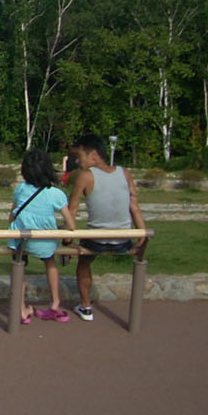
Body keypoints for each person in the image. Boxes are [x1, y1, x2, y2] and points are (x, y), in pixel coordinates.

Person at [66, 133, 146, 321]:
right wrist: (142, 232)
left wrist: (67, 240)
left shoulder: (85, 176)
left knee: (84, 261)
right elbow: (134, 205)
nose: (78, 162)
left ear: (93, 155)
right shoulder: (124, 173)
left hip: (96, 240)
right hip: (123, 239)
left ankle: (86, 307)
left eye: (80, 156)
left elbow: (73, 209)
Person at [8, 149, 76, 324]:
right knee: (50, 263)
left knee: (19, 267)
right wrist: (59, 228)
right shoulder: (55, 194)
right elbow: (71, 224)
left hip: (21, 240)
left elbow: (11, 216)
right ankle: (55, 303)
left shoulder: (20, 189)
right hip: (45, 242)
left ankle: (22, 308)